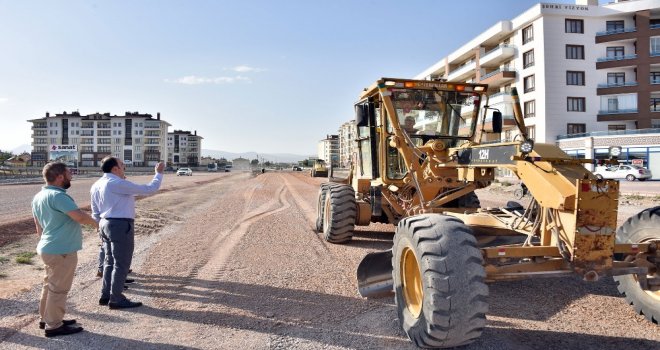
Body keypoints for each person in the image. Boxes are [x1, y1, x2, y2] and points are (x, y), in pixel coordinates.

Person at [32, 162, 98, 337]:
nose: (72, 175)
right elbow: (78, 216)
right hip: (60, 250)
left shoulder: (39, 196)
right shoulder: (58, 196)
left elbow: (38, 227)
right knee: (59, 289)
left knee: (49, 286)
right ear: (60, 177)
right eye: (69, 172)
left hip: (48, 247)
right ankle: (54, 325)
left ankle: (46, 318)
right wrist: (96, 223)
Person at [91, 157, 164, 309]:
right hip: (119, 225)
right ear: (115, 169)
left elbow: (95, 212)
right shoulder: (116, 183)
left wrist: (100, 226)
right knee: (121, 264)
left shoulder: (97, 184)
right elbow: (149, 189)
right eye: (122, 165)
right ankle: (116, 299)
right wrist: (158, 173)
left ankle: (106, 295)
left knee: (109, 262)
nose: (124, 168)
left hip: (104, 224)